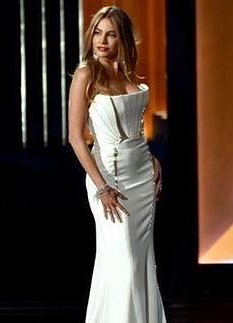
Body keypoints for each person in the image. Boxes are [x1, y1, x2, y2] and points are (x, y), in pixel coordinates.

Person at [68, 6, 167, 323]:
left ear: (123, 38)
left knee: (138, 261)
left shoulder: (128, 77)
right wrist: (101, 188)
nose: (102, 40)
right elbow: (75, 137)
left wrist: (152, 159)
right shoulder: (86, 75)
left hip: (141, 178)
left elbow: (136, 132)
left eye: (110, 34)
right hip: (108, 178)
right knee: (122, 258)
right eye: (98, 32)